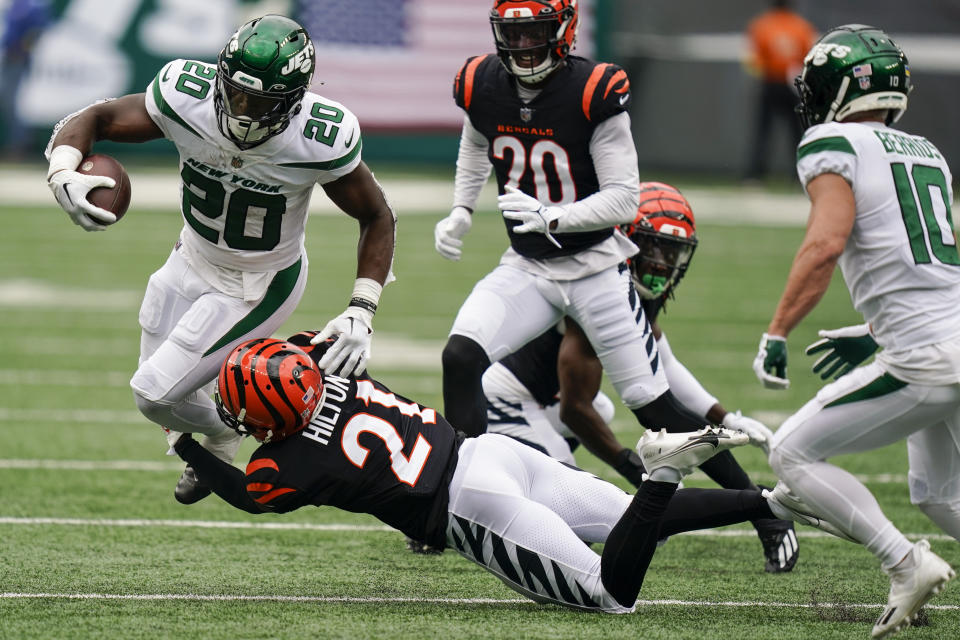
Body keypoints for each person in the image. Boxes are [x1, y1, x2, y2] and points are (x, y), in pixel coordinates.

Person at [174, 335, 842, 612]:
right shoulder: (339, 372)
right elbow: (302, 352)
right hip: (495, 452)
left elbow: (248, 494)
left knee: (612, 595)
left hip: (469, 507)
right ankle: (770, 502)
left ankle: (662, 470)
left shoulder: (290, 463)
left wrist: (189, 448)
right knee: (631, 523)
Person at [43, 15, 396, 505]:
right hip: (188, 257)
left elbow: (377, 215)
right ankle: (218, 437)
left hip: (257, 283)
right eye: (236, 92)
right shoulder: (186, 96)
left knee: (153, 395)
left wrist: (363, 307)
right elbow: (97, 118)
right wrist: (62, 171)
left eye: (263, 102)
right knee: (170, 404)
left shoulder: (318, 137)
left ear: (295, 100)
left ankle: (244, 429)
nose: (245, 110)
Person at [752, 25, 958, 639]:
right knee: (937, 493)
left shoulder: (830, 140)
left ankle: (905, 563)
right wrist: (873, 331)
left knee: (790, 452)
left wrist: (778, 330)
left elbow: (824, 245)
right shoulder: (925, 150)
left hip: (926, 355)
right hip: (951, 333)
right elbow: (925, 266)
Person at [483, 182, 798, 572]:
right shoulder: (595, 287)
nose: (663, 261)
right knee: (578, 512)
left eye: (672, 250)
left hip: (545, 398)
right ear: (626, 240)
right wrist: (633, 468)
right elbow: (574, 410)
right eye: (654, 246)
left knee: (603, 411)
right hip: (506, 399)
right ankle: (460, 506)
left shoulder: (627, 287)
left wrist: (726, 417)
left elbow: (662, 363)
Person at [743, 0, 816, 183]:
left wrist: (764, 73)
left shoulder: (761, 25)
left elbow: (753, 59)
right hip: (793, 85)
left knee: (764, 132)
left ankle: (755, 175)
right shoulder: (801, 26)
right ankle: (801, 174)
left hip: (770, 82)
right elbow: (809, 56)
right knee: (797, 132)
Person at [0, 0, 52, 159]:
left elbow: (40, 29)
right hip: (9, 57)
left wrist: (22, 50)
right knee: (10, 101)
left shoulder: (33, 5)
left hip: (18, 59)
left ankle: (22, 144)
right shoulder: (17, 4)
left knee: (14, 102)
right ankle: (21, 142)